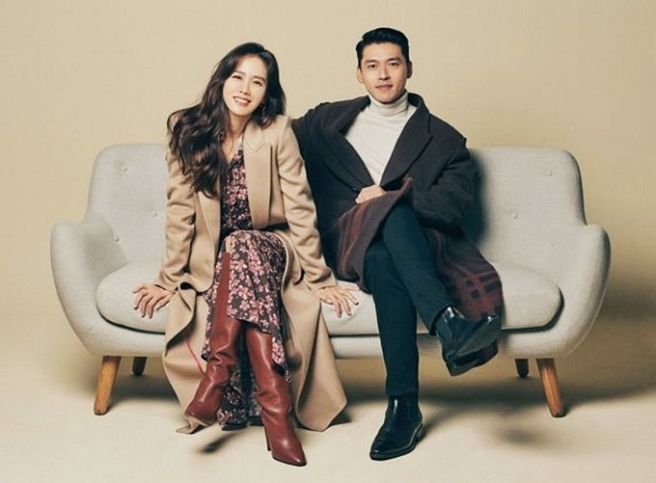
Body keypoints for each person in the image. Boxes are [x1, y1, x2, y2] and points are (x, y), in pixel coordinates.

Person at [133, 42, 356, 466]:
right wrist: (168, 279)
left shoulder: (277, 131)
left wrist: (319, 277)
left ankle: (217, 376)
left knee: (244, 242)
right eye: (238, 77)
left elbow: (300, 207)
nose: (245, 89)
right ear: (222, 80)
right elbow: (180, 212)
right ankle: (277, 416)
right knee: (235, 247)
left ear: (267, 93)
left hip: (272, 245)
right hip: (217, 260)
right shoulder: (187, 129)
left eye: (257, 82)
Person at [292, 28, 505, 461]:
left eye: (393, 64)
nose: (383, 74)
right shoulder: (325, 122)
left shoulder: (444, 139)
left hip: (408, 247)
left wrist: (392, 198)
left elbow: (453, 206)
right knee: (390, 212)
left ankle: (403, 407)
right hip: (346, 238)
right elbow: (269, 133)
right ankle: (448, 324)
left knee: (387, 252)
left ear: (409, 68)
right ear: (359, 74)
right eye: (372, 66)